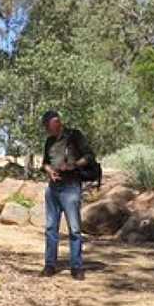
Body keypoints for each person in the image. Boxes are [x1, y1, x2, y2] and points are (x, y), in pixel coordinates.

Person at [40, 110, 95, 281]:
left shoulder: (75, 136)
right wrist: (50, 171)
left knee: (75, 229)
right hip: (53, 189)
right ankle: (50, 265)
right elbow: (45, 163)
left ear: (57, 122)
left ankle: (77, 267)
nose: (50, 131)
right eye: (47, 129)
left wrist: (73, 165)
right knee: (50, 228)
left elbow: (89, 157)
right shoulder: (49, 141)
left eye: (51, 127)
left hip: (71, 188)